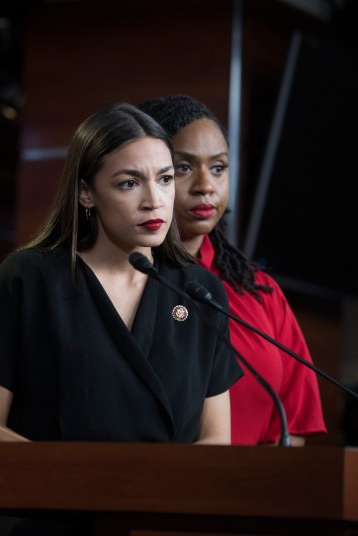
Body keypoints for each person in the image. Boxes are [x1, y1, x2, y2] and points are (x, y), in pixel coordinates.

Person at [0, 103, 243, 533]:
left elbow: (216, 440)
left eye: (165, 178)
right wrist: (84, 481)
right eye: (130, 182)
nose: (154, 200)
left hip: (160, 523)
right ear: (86, 192)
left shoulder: (200, 292)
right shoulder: (29, 277)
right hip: (46, 520)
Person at [138, 94, 326, 446]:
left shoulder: (258, 290)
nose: (206, 186)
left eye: (219, 168)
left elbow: (292, 427)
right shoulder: (122, 280)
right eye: (184, 167)